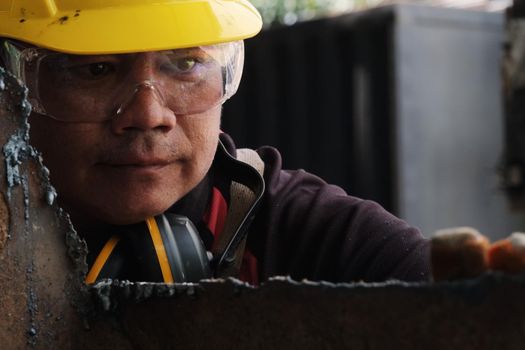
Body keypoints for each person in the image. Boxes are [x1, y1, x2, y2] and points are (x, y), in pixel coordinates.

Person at [0, 0, 430, 285]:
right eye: (96, 69)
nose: (149, 116)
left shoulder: (315, 238)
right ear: (13, 86)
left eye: (186, 63)